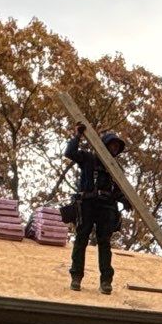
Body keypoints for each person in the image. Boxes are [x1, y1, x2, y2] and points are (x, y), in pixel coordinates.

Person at [64, 126, 127, 294]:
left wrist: (126, 201)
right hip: (87, 203)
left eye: (117, 147)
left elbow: (120, 191)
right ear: (104, 145)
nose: (115, 148)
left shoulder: (116, 168)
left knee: (104, 243)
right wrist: (77, 135)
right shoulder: (88, 159)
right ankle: (76, 277)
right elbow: (70, 152)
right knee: (81, 238)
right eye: (112, 145)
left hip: (106, 207)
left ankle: (106, 281)